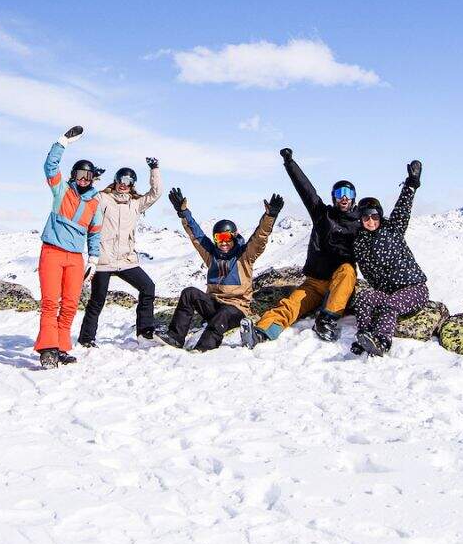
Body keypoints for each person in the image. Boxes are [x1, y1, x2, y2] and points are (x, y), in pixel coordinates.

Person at [254, 147, 363, 342]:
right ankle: (263, 331)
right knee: (291, 304)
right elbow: (306, 190)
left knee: (347, 269)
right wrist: (290, 163)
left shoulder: (360, 226)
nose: (344, 196)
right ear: (334, 197)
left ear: (354, 197)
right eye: (340, 193)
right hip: (315, 283)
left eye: (348, 192)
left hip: (340, 286)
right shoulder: (323, 215)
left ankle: (327, 319)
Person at [158, 187, 283, 351]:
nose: (223, 242)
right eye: (218, 238)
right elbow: (196, 235)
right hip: (213, 305)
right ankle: (175, 337)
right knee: (189, 293)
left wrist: (270, 216)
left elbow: (260, 237)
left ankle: (204, 347)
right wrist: (183, 212)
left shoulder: (245, 255)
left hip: (235, 309)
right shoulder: (212, 254)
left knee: (223, 314)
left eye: (226, 237)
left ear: (234, 236)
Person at [35, 125, 104, 368]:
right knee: (51, 302)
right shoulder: (61, 191)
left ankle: (61, 346)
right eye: (79, 175)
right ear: (73, 175)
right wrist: (63, 142)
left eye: (88, 176)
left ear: (93, 178)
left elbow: (95, 234)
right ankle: (47, 349)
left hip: (75, 258)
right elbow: (50, 167)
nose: (83, 180)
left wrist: (93, 260)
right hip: (52, 252)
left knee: (71, 303)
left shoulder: (95, 202)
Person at [77, 156, 163, 346]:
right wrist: (93, 179)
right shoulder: (103, 198)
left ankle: (145, 332)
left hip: (126, 261)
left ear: (132, 184)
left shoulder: (136, 203)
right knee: (97, 301)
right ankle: (86, 339)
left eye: (128, 181)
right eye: (121, 179)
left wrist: (154, 169)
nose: (124, 184)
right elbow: (86, 197)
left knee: (148, 287)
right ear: (115, 180)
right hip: (104, 261)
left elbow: (156, 193)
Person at [349, 160, 430, 358]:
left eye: (375, 217)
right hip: (386, 291)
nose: (371, 221)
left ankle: (382, 342)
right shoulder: (358, 242)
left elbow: (403, 207)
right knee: (363, 297)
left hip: (414, 288)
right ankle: (364, 336)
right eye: (366, 217)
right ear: (360, 218)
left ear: (380, 216)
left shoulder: (393, 229)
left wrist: (412, 183)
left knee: (390, 305)